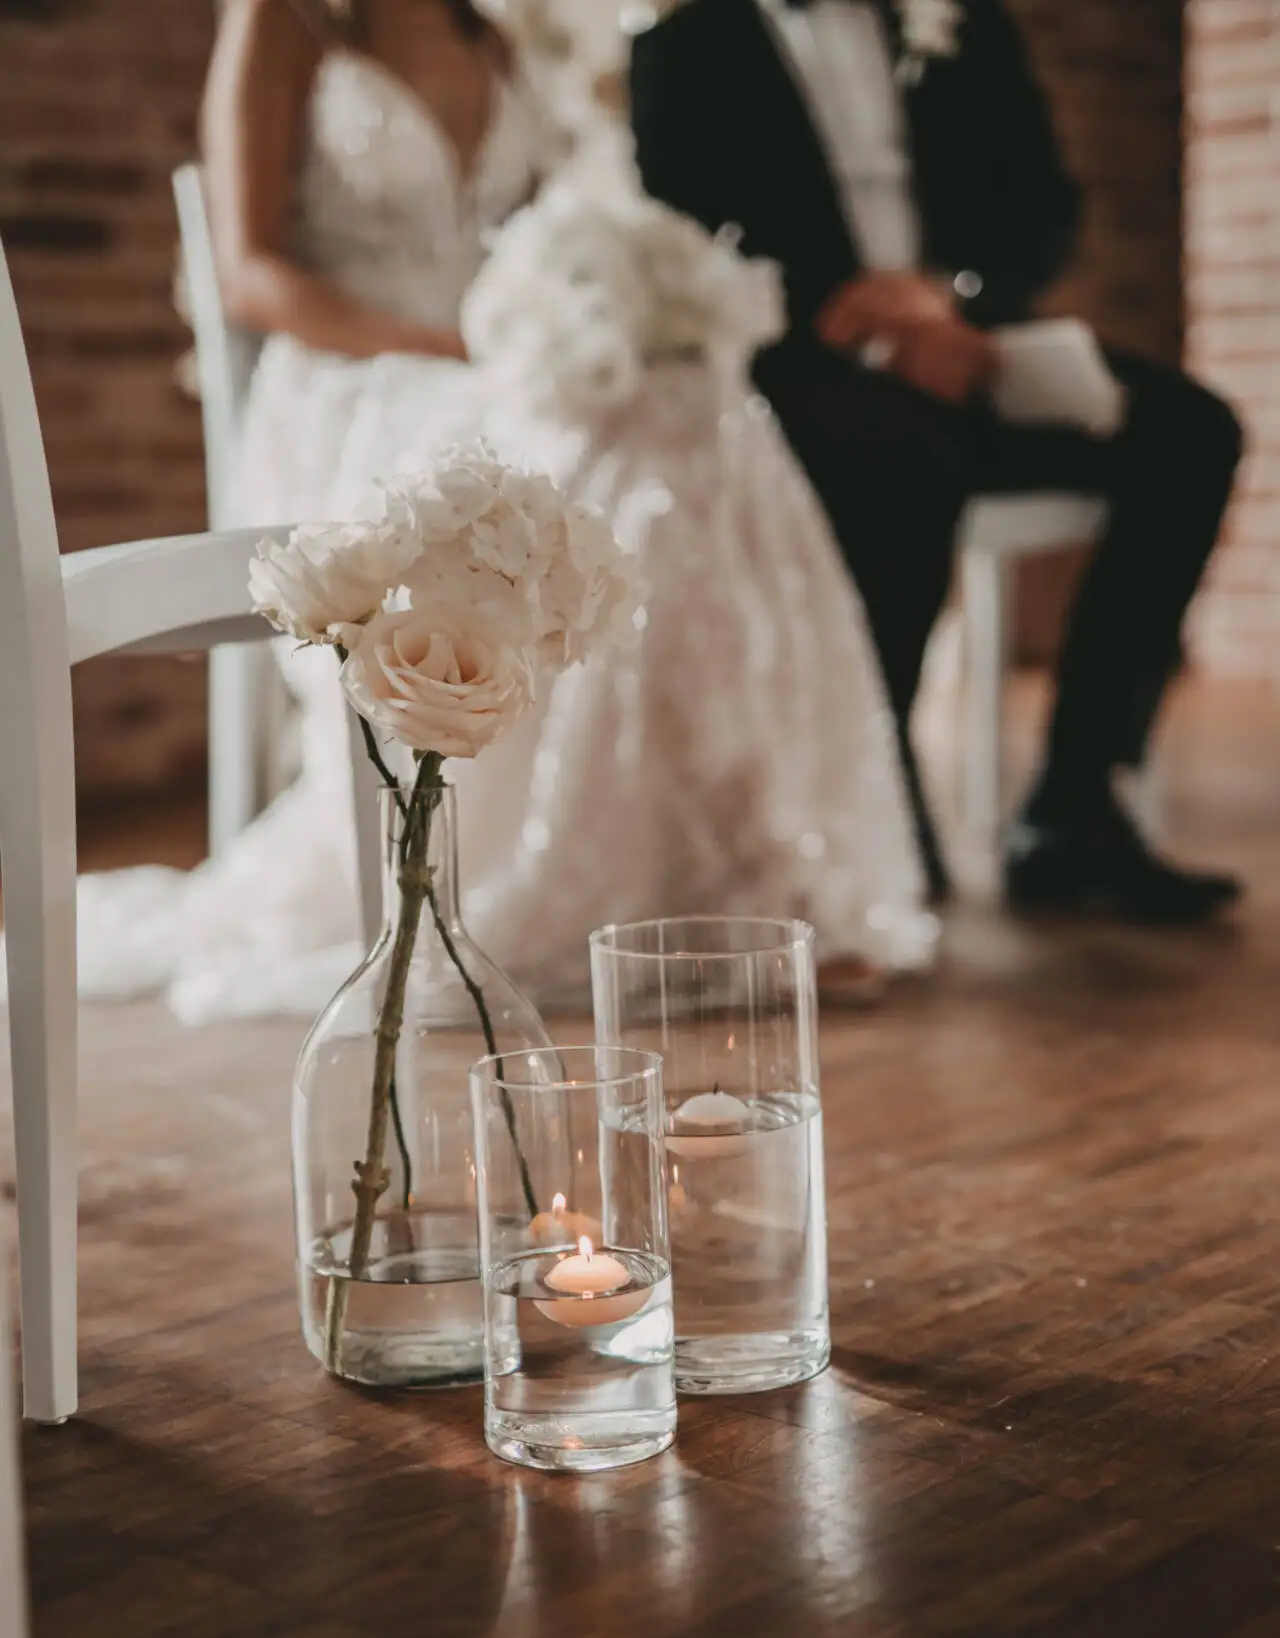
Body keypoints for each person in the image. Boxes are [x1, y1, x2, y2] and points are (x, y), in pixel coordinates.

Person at [65, 0, 935, 1021]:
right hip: (351, 383)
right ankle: (608, 870)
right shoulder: (284, 20)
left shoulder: (499, 34)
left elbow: (544, 235)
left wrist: (603, 311)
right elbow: (251, 275)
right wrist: (458, 353)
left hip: (499, 370)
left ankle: (737, 864)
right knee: (631, 441)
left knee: (698, 401)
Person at [630, 0, 1245, 923]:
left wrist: (948, 297)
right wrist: (862, 321)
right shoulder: (686, 43)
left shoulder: (964, 23)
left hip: (970, 344)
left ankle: (1076, 798)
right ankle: (884, 791)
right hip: (807, 372)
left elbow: (1046, 205)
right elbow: (676, 245)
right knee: (901, 459)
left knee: (1191, 431)